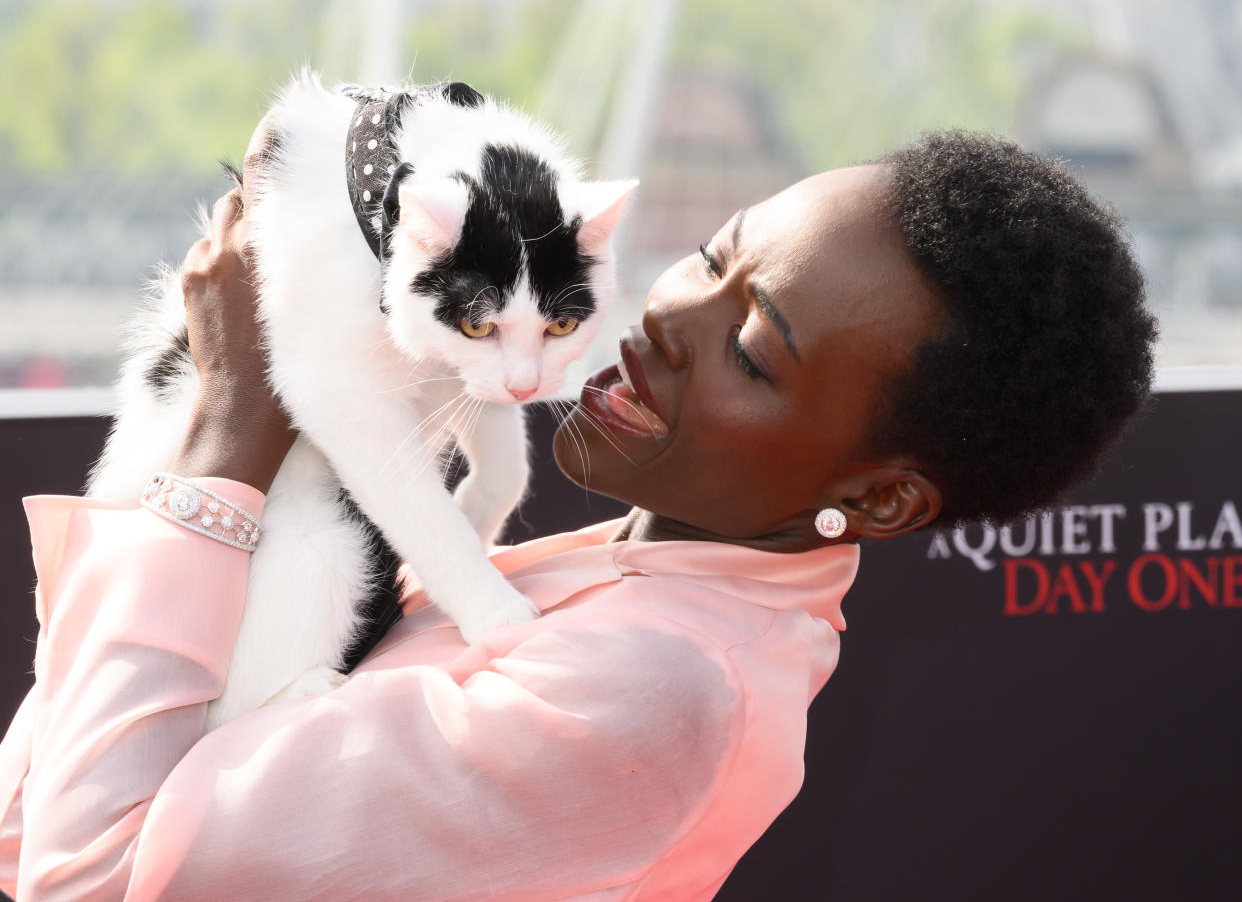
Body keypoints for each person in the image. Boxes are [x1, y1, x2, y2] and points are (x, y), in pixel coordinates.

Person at [0, 130, 1155, 900]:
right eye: (714, 257)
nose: (669, 318)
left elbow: (79, 869)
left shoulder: (659, 687)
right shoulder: (631, 573)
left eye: (753, 352)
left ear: (877, 495)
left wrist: (228, 430)